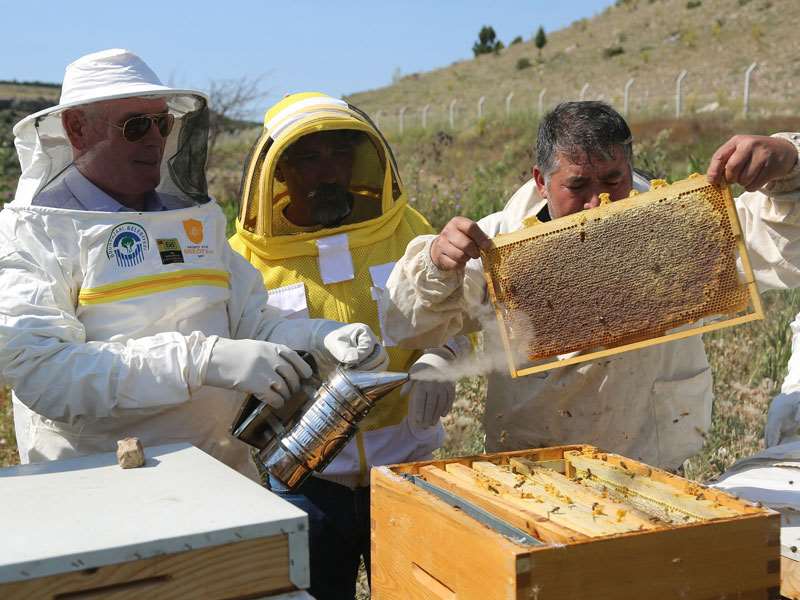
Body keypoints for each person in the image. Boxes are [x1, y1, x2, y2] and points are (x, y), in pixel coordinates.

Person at [0, 50, 387, 481]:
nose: (154, 139)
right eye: (135, 125)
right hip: (100, 485)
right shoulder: (31, 233)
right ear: (76, 128)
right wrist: (201, 360)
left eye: (162, 123)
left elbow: (251, 323)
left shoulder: (192, 219)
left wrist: (319, 337)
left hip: (222, 476)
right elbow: (46, 372)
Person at [382, 100, 800, 471]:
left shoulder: (677, 224)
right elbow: (406, 324)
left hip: (652, 456)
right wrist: (436, 265)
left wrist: (790, 163)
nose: (596, 201)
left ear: (629, 169)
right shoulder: (499, 244)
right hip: (538, 465)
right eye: (577, 185)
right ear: (541, 181)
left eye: (612, 180)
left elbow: (781, 240)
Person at [229, 92, 466, 599]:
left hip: (409, 466)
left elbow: (461, 317)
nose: (328, 171)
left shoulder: (407, 230)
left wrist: (442, 357)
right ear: (280, 170)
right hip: (306, 478)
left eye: (340, 153)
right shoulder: (247, 259)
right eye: (309, 158)